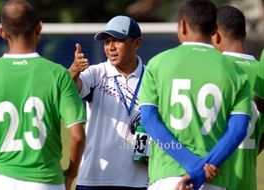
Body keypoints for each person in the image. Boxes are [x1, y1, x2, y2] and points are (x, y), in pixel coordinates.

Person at [0, 1, 86, 190]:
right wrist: (71, 173)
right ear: (39, 27)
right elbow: (77, 136)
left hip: (2, 181)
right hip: (46, 181)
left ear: (2, 32)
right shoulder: (58, 74)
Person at [139, 0, 251, 189]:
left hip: (167, 176)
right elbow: (238, 129)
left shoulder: (157, 64)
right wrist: (203, 169)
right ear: (215, 29)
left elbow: (149, 120)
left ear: (182, 26)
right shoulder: (237, 73)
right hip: (212, 177)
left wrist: (192, 165)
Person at [69, 15, 148, 189]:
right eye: (107, 42)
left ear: (137, 43)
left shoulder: (151, 78)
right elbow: (70, 87)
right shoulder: (96, 73)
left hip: (138, 181)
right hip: (94, 178)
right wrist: (74, 70)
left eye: (117, 41)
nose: (110, 48)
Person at [211, 5, 264, 190]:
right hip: (247, 181)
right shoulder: (260, 71)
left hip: (214, 181)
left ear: (215, 35)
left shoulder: (211, 71)